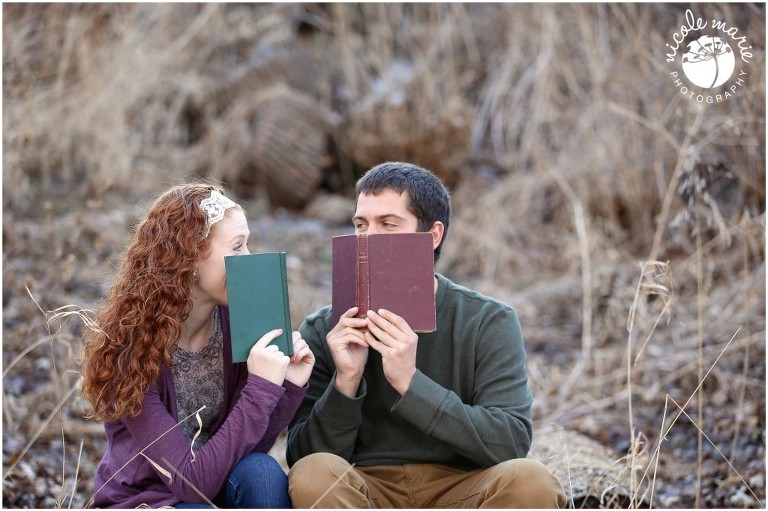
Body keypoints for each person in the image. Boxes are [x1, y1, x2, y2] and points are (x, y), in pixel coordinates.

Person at [286, 162, 566, 508]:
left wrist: (410, 383)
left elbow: (509, 442)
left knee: (531, 480)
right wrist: (346, 382)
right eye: (360, 224)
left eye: (388, 224)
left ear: (432, 235)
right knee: (314, 472)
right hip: (367, 489)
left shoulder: (487, 320)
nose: (367, 237)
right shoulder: (327, 328)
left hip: (465, 487)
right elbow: (303, 457)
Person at [79, 182, 315, 509]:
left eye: (248, 245)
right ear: (188, 256)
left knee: (261, 472)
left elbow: (249, 449)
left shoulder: (238, 322)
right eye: (237, 246)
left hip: (216, 487)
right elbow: (190, 484)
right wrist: (260, 388)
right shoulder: (130, 347)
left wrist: (287, 384)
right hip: (148, 501)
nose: (248, 259)